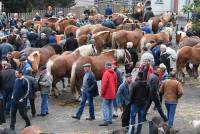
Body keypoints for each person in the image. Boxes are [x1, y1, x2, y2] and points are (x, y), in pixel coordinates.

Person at [99, 62, 117, 126]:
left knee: (105, 107)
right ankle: (110, 120)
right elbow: (115, 83)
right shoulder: (114, 73)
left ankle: (106, 121)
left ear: (106, 67)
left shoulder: (106, 73)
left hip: (106, 93)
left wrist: (102, 93)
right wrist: (114, 92)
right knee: (110, 107)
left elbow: (104, 85)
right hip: (112, 93)